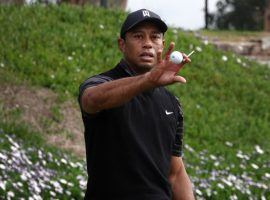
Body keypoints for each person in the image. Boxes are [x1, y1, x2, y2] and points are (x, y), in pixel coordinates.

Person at [78, 8, 195, 200]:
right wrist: (148, 80)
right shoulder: (100, 84)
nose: (147, 44)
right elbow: (91, 100)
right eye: (138, 36)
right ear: (122, 44)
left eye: (154, 37)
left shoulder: (172, 103)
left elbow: (175, 173)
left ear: (162, 45)